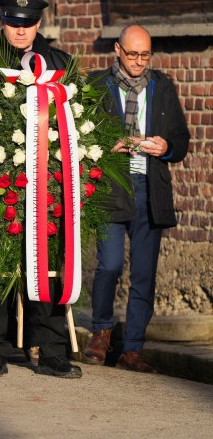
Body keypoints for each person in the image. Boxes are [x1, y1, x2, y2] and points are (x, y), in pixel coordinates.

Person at [0, 0, 82, 379]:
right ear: (3, 22)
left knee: (49, 265)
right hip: (0, 182)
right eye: (14, 22)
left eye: (27, 23)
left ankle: (51, 350)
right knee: (0, 266)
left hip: (50, 183)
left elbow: (78, 117)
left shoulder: (59, 63)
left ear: (39, 24)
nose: (21, 29)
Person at [82, 24, 190, 374]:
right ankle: (101, 332)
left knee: (144, 272)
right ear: (117, 49)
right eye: (132, 54)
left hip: (150, 187)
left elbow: (181, 138)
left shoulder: (163, 86)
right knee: (110, 264)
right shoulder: (98, 86)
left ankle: (133, 348)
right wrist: (103, 148)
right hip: (111, 184)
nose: (139, 61)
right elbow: (78, 136)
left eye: (145, 54)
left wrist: (167, 147)